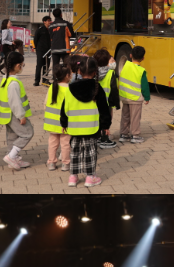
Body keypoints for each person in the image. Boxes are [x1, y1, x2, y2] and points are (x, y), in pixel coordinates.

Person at [64, 56, 109, 188]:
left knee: (75, 151)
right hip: (92, 127)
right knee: (90, 152)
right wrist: (105, 125)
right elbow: (104, 109)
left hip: (74, 126)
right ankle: (90, 177)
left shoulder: (70, 88)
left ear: (79, 71)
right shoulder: (97, 88)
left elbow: (64, 108)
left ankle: (73, 177)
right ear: (96, 72)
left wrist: (64, 123)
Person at [0, 51, 33, 171]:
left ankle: (13, 157)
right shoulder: (13, 83)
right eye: (22, 65)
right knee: (27, 133)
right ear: (18, 66)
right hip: (14, 115)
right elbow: (15, 102)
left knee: (12, 137)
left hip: (7, 115)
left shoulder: (6, 80)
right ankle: (11, 156)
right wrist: (21, 115)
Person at [114, 44, 153, 143]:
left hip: (125, 96)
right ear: (143, 58)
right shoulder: (141, 71)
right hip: (135, 98)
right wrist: (147, 97)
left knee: (125, 116)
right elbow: (144, 86)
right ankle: (135, 135)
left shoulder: (125, 65)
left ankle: (123, 134)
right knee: (135, 117)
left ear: (130, 55)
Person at [43, 63, 73, 173]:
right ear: (66, 75)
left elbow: (45, 104)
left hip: (51, 122)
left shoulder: (52, 87)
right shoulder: (69, 89)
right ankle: (65, 163)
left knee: (52, 143)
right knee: (65, 143)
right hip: (65, 123)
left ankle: (51, 162)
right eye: (70, 73)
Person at [92, 48, 121, 148]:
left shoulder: (93, 72)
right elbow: (114, 89)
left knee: (97, 118)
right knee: (106, 119)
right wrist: (116, 103)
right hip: (107, 101)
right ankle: (105, 139)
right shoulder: (110, 73)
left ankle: (97, 137)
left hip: (95, 100)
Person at [32, 16, 52, 86]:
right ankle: (37, 81)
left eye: (50, 20)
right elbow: (35, 40)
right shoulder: (39, 30)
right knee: (39, 65)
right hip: (40, 51)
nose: (50, 22)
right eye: (48, 21)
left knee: (46, 66)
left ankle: (45, 80)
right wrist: (37, 49)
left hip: (49, 51)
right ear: (44, 22)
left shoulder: (51, 30)